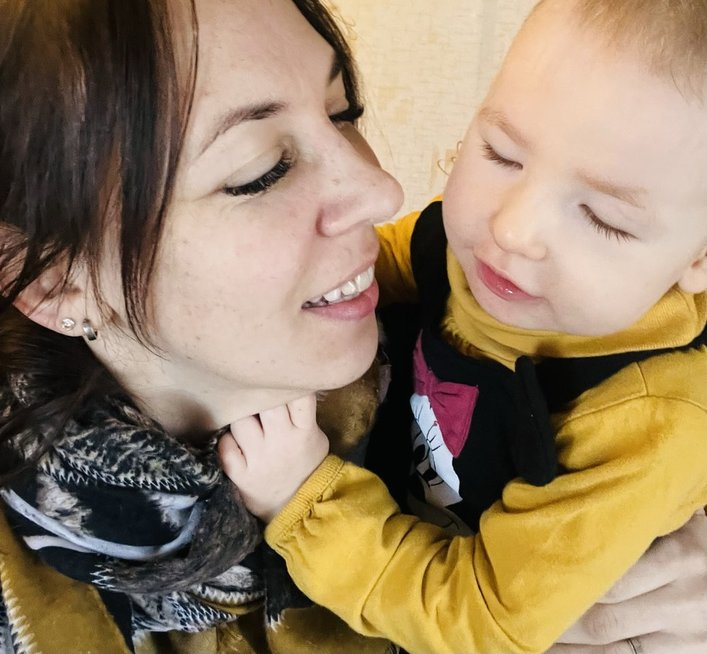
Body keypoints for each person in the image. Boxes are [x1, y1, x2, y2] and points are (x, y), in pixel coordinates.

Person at [221, 0, 707, 652]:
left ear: (698, 259)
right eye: (500, 155)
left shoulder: (646, 422)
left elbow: (478, 620)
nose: (512, 229)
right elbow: (377, 265)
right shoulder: (468, 249)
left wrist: (304, 501)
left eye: (603, 219)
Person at [0, 0, 405, 652]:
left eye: (341, 112)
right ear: (56, 283)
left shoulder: (464, 384)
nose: (382, 191)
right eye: (261, 172)